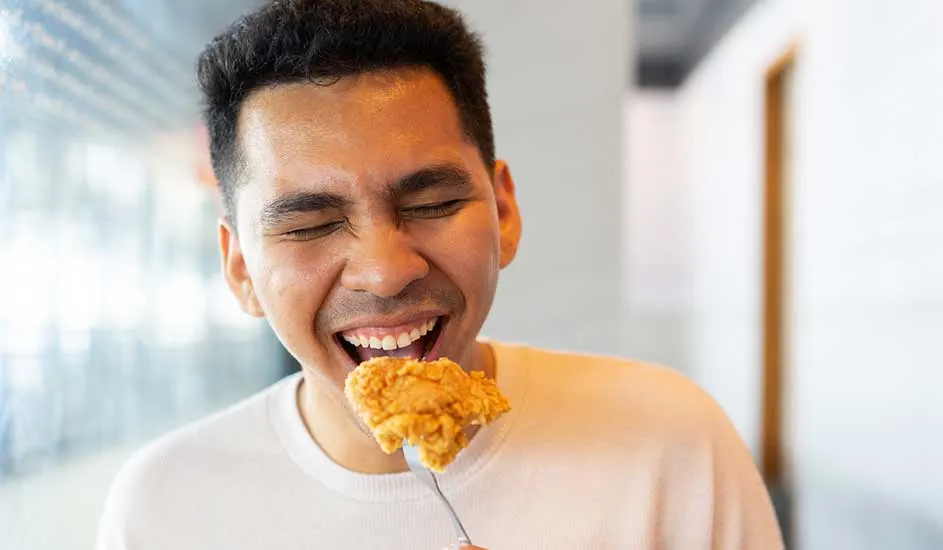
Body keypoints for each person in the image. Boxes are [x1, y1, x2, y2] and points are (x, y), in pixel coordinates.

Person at [96, 1, 784, 548]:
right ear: (242, 270)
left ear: (504, 211)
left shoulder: (668, 442)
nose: (386, 271)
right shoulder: (165, 509)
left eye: (431, 204)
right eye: (309, 225)